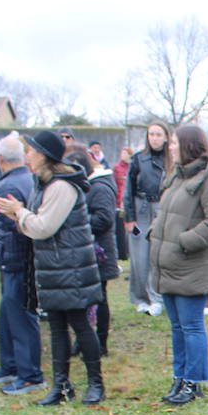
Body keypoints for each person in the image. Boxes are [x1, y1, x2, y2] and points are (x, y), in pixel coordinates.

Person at [0, 129, 103, 404]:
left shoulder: (61, 187)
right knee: (56, 327)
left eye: (30, 151)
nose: (27, 155)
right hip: (52, 268)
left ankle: (95, 384)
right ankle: (61, 386)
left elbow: (43, 227)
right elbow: (36, 224)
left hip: (71, 269)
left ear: (43, 155)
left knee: (79, 324)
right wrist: (20, 214)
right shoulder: (43, 183)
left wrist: (19, 212)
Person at [148, 124, 208, 406]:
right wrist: (155, 232)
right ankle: (179, 377)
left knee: (192, 326)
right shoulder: (179, 176)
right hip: (169, 265)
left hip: (192, 266)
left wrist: (183, 241)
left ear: (189, 145)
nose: (169, 147)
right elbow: (167, 213)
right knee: (177, 327)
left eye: (173, 143)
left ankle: (194, 382)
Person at [0, 132, 44, 395]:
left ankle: (30, 374)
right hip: (20, 259)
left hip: (17, 260)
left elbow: (18, 225)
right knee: (9, 315)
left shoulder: (7, 187)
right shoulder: (29, 180)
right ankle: (9, 366)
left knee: (20, 316)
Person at [68, 143, 119, 356]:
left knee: (100, 298)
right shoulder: (83, 188)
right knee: (85, 299)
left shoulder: (99, 187)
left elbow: (105, 219)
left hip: (100, 253)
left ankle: (101, 343)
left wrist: (76, 220)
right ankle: (84, 340)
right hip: (85, 252)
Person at [125, 121, 169, 316]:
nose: (154, 138)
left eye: (158, 134)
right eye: (151, 134)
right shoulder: (138, 159)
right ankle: (141, 297)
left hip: (162, 208)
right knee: (139, 256)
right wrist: (129, 217)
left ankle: (157, 297)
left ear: (166, 137)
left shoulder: (172, 160)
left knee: (157, 256)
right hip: (140, 208)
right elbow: (128, 188)